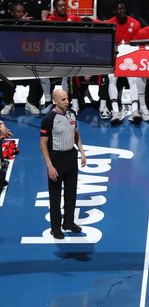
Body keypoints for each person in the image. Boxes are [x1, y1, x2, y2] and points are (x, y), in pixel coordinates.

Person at [39, 89, 86, 240]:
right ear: (55, 101)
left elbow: (75, 133)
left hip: (71, 158)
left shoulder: (72, 113)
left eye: (67, 99)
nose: (67, 102)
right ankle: (55, 228)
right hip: (56, 159)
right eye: (63, 99)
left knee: (71, 193)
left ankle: (69, 222)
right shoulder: (49, 118)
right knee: (55, 196)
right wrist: (49, 166)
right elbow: (43, 144)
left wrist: (82, 151)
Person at [105, 0, 140, 124]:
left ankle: (135, 110)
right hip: (115, 56)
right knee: (111, 78)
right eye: (119, 9)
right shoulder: (109, 24)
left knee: (133, 79)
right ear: (114, 11)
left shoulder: (135, 24)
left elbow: (137, 45)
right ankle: (115, 111)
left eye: (123, 8)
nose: (121, 11)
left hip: (130, 56)